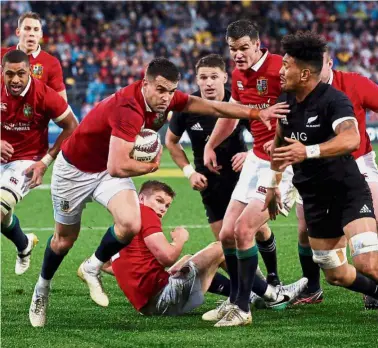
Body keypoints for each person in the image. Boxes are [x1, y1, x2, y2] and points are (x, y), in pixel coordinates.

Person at [28, 57, 289, 327]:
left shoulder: (168, 99)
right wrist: (151, 166)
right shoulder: (128, 108)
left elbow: (211, 106)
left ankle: (93, 266)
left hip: (105, 171)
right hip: (74, 171)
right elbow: (117, 166)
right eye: (160, 90)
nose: (166, 97)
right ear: (145, 84)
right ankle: (42, 289)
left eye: (171, 91)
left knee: (130, 223)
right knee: (64, 240)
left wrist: (256, 113)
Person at [264, 31, 378, 316]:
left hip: (347, 190)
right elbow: (279, 143)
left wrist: (308, 151)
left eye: (286, 65)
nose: (280, 70)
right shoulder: (286, 99)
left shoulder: (334, 100)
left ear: (304, 74)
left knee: (367, 264)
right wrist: (271, 185)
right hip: (314, 198)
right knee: (335, 274)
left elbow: (351, 138)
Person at [203, 20, 297, 327]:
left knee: (244, 231)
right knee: (228, 233)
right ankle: (234, 300)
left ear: (257, 44)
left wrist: (283, 138)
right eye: (233, 49)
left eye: (244, 47)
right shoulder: (240, 75)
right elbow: (231, 113)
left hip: (283, 162)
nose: (239, 54)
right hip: (257, 160)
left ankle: (242, 309)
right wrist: (210, 144)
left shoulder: (280, 70)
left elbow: (306, 109)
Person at [102, 180, 307, 317]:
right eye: (159, 201)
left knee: (189, 260)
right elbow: (166, 258)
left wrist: (129, 274)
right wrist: (179, 240)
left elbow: (106, 265)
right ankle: (273, 295)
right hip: (162, 300)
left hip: (148, 306)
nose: (162, 209)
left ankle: (250, 294)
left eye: (166, 205)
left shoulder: (123, 223)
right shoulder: (145, 214)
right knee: (220, 247)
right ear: (141, 199)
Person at [292, 49, 378, 307]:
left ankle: (372, 284)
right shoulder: (297, 93)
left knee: (372, 220)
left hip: (357, 162)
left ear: (329, 63)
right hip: (313, 170)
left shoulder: (353, 83)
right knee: (304, 228)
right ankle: (313, 287)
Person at [1, 50, 77, 275]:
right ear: (2, 72)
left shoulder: (44, 95)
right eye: (10, 74)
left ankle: (23, 245)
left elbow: (72, 126)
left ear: (29, 73)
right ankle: (24, 245)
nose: (15, 80)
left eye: (21, 74)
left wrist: (45, 162)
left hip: (26, 161)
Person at [166, 54, 248, 241]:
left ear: (224, 78)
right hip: (208, 180)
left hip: (242, 175)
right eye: (203, 78)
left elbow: (265, 136)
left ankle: (271, 272)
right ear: (197, 80)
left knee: (254, 230)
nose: (209, 83)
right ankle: (250, 272)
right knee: (224, 240)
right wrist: (190, 173)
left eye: (214, 77)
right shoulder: (186, 107)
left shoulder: (238, 102)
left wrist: (249, 154)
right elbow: (171, 141)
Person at [1, 12, 67, 100]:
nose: (31, 33)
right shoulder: (2, 55)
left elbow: (61, 103)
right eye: (27, 29)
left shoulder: (52, 63)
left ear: (41, 34)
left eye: (36, 29)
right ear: (18, 32)